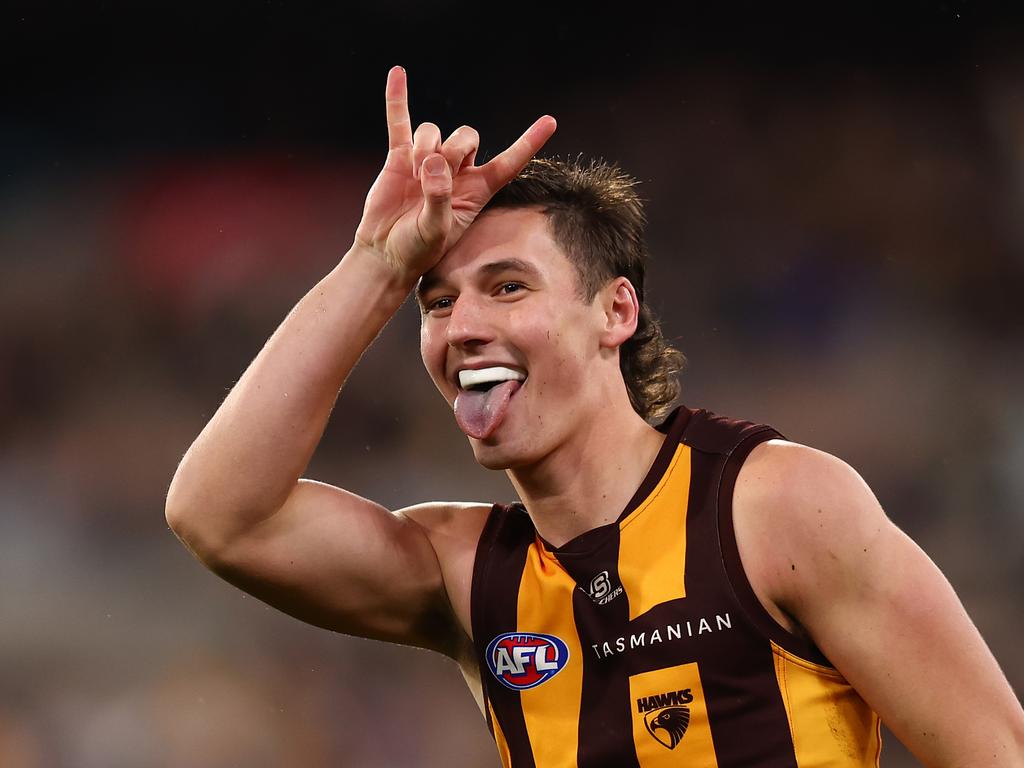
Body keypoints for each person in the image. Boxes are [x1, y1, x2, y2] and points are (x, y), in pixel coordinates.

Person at [165, 65, 1024, 766]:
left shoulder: (779, 507)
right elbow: (218, 517)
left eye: (507, 287)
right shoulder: (467, 574)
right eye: (436, 303)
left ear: (615, 314)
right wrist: (377, 265)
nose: (463, 327)